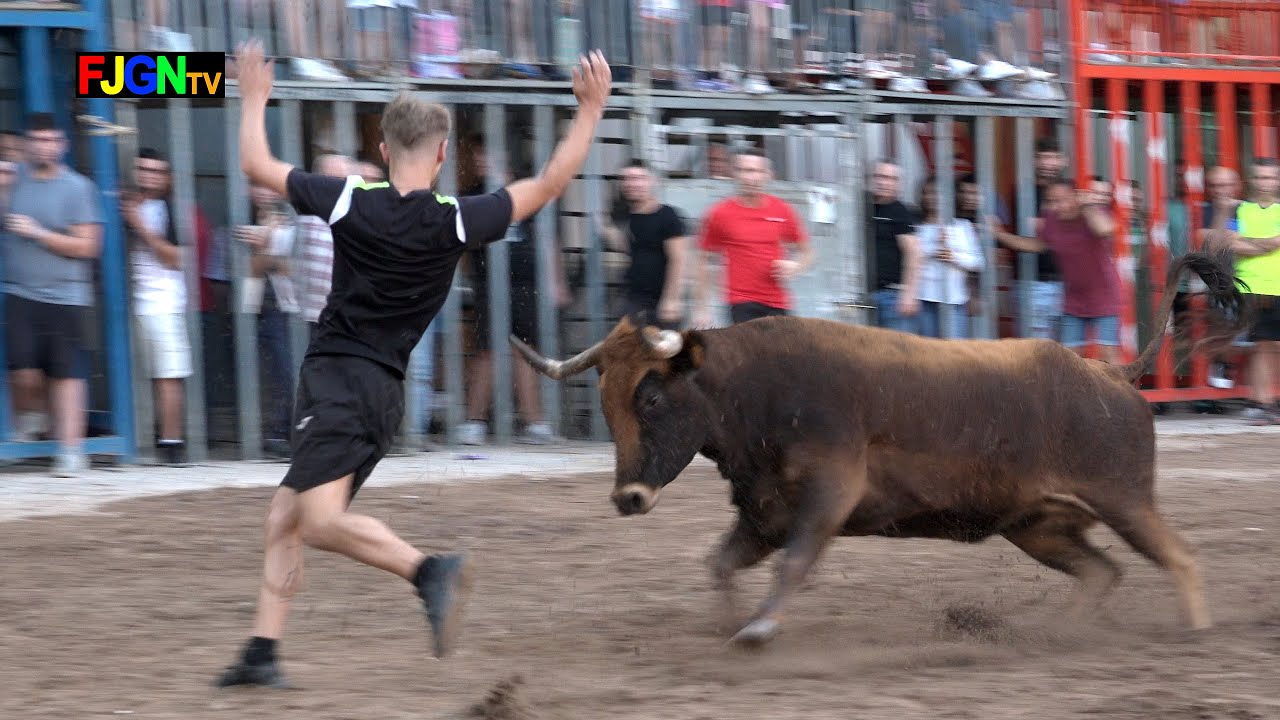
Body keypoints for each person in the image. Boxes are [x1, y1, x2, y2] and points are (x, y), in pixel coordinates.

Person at [215, 39, 612, 687]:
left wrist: (255, 95)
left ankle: (430, 572)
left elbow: (255, 163)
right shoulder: (456, 221)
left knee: (317, 520)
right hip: (382, 389)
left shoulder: (347, 198)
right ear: (442, 154)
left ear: (380, 149)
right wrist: (590, 111)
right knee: (284, 516)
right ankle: (262, 652)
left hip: (338, 380)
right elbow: (549, 184)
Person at [2, 113, 103, 475]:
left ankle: (71, 452)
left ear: (62, 145)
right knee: (22, 372)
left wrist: (38, 233)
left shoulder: (77, 187)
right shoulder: (14, 181)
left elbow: (89, 246)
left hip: (66, 296)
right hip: (20, 292)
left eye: (50, 140)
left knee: (66, 374)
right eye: (37, 140)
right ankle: (32, 420)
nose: (43, 146)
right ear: (28, 144)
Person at [990, 179, 1123, 363]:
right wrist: (1000, 234)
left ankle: (1120, 391)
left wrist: (1088, 207)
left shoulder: (1091, 215)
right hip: (1073, 300)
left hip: (1104, 297)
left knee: (1108, 355)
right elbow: (1035, 245)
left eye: (1061, 200)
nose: (1055, 206)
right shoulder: (1052, 221)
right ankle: (1078, 393)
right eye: (1051, 201)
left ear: (1076, 197)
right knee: (1071, 358)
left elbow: (1106, 229)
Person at [122, 148, 193, 465]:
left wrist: (140, 226)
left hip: (163, 301)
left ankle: (171, 442)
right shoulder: (124, 204)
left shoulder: (172, 209)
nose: (149, 175)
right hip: (127, 303)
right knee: (134, 374)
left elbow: (176, 259)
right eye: (143, 169)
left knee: (168, 374)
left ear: (167, 178)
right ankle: (138, 439)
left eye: (156, 170)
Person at [692, 148, 813, 327]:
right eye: (744, 170)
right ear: (734, 174)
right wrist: (702, 309)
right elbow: (703, 260)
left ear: (768, 175)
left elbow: (807, 252)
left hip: (777, 302)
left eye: (757, 171)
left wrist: (795, 267)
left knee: (784, 353)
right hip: (741, 302)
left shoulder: (782, 210)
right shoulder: (719, 213)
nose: (751, 177)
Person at [598, 159, 689, 329]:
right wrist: (605, 227)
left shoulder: (667, 215)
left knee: (666, 354)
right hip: (634, 300)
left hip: (661, 303)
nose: (633, 183)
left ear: (652, 181)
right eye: (627, 179)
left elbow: (678, 259)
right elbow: (629, 248)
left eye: (639, 178)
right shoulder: (626, 218)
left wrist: (671, 299)